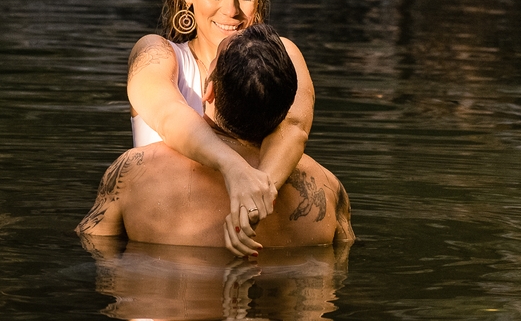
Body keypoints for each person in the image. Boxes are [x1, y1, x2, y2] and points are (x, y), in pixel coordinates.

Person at [126, 0, 315, 255]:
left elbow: (295, 126)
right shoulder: (155, 53)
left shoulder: (284, 56)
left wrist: (255, 201)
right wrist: (234, 169)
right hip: (164, 255)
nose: (231, 11)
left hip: (258, 248)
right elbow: (169, 115)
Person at [82, 24, 353, 249]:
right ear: (286, 106)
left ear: (208, 91)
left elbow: (93, 249)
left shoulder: (134, 174)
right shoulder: (328, 191)